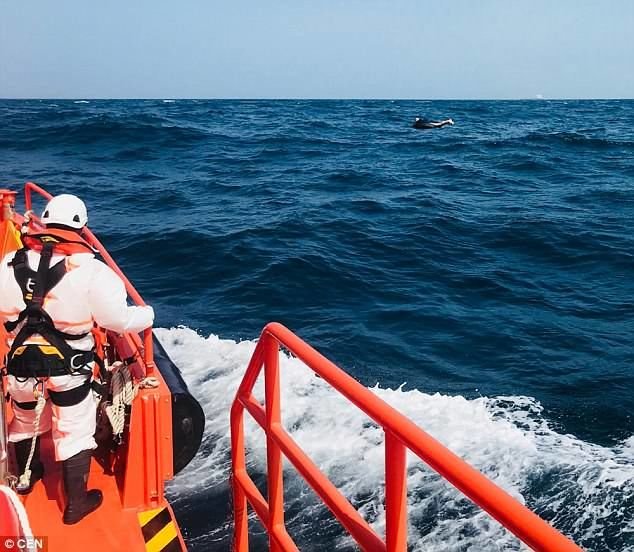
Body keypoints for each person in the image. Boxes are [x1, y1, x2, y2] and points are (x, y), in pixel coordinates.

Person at [0, 194, 154, 524]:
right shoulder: (92, 272)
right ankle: (75, 504)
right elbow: (117, 321)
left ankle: (27, 479)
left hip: (20, 368)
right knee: (74, 430)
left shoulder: (7, 264)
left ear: (42, 224)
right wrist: (148, 314)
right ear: (82, 228)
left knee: (25, 420)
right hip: (69, 373)